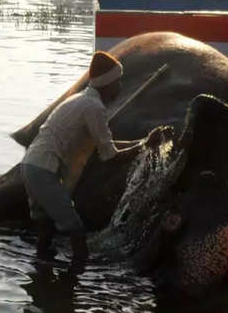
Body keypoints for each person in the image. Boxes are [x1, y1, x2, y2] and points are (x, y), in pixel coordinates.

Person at [20, 51, 166, 264]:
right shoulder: (94, 107)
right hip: (44, 171)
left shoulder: (79, 100)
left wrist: (143, 142)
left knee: (47, 225)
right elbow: (109, 156)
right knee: (75, 228)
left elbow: (105, 146)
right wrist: (146, 146)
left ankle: (41, 274)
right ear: (105, 85)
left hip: (31, 165)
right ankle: (77, 279)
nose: (120, 87)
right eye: (118, 82)